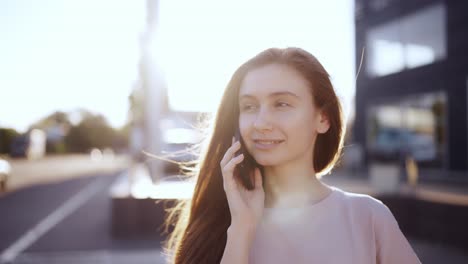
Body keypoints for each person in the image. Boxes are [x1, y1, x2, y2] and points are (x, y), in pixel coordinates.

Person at [164, 47, 421, 264]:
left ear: (323, 118)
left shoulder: (367, 217)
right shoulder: (222, 225)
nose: (261, 123)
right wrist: (240, 230)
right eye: (249, 106)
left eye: (282, 104)